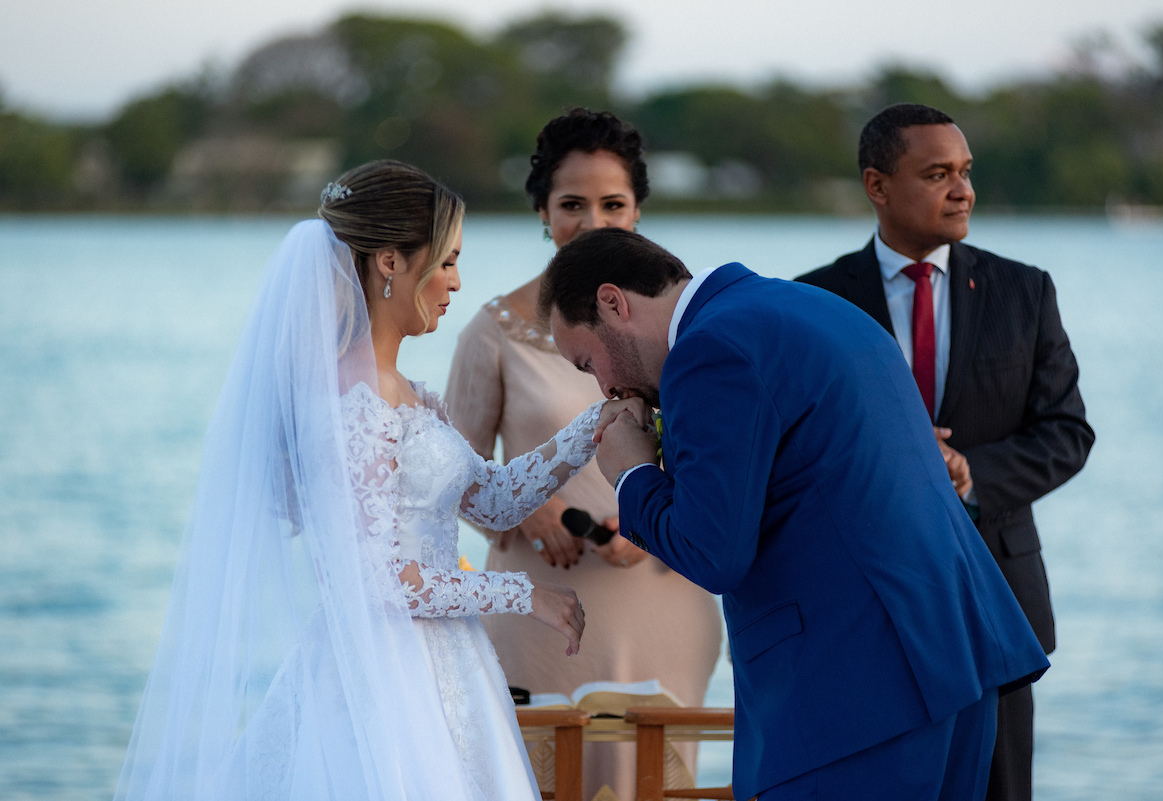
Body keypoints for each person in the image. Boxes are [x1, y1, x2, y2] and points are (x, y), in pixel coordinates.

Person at [113, 160, 644, 801]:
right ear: (390, 261)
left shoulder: (411, 396)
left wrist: (595, 424)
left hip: (449, 666)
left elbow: (497, 502)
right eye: (445, 261)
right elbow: (384, 582)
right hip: (381, 681)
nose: (455, 282)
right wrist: (525, 595)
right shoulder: (346, 398)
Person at [539, 227, 1051, 801]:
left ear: (614, 302)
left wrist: (632, 474)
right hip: (955, 656)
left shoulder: (708, 351)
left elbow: (713, 552)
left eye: (588, 361)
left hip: (855, 690)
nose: (605, 386)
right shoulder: (816, 306)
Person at [795, 103, 1094, 801]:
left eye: (964, 172)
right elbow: (794, 449)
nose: (963, 190)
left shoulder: (1025, 291)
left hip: (996, 599)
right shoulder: (813, 301)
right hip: (860, 604)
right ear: (877, 184)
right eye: (937, 174)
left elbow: (1067, 433)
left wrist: (968, 472)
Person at [446, 109, 721, 800]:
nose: (593, 221)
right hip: (541, 603)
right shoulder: (493, 330)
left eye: (613, 204)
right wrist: (531, 508)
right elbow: (449, 475)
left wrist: (656, 517)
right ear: (543, 211)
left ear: (637, 211)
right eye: (572, 204)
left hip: (664, 589)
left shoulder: (688, 327)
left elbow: (720, 458)